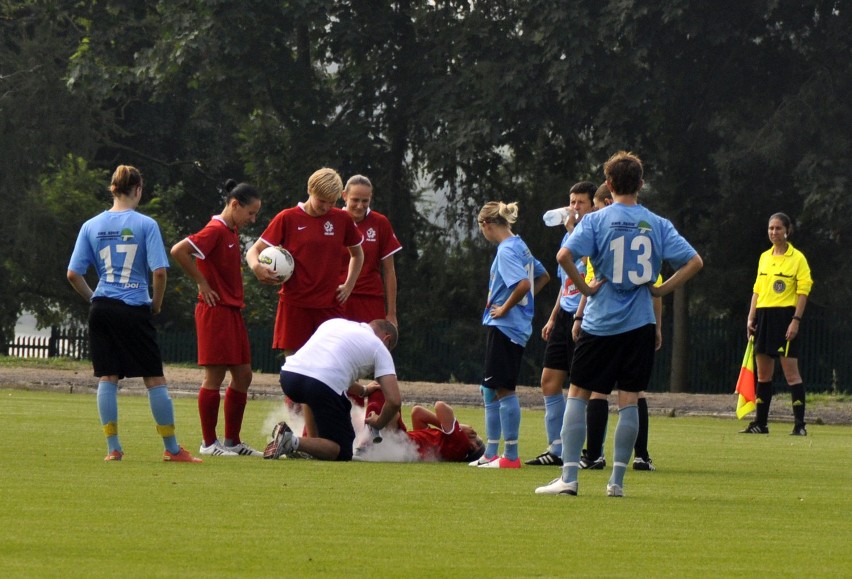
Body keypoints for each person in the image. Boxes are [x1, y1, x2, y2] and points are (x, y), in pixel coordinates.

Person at [535, 151, 702, 497]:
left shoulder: (596, 220)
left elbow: (563, 256)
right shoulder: (657, 223)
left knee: (578, 394)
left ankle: (569, 478)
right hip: (639, 324)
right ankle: (617, 482)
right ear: (641, 184)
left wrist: (585, 288)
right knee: (629, 399)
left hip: (600, 323)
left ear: (609, 185)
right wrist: (661, 288)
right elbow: (694, 261)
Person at [66, 165, 201, 463]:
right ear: (138, 189)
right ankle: (172, 448)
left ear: (113, 189)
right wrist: (155, 303)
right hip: (134, 306)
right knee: (154, 378)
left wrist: (94, 299)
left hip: (102, 308)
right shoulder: (145, 224)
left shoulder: (91, 225)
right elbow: (161, 272)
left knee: (108, 377)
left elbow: (74, 274)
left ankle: (113, 448)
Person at [170, 179, 263, 457]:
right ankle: (209, 443)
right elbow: (179, 251)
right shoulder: (215, 229)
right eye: (251, 213)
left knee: (244, 375)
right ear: (235, 205)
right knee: (215, 376)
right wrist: (202, 282)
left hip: (232, 310)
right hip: (215, 310)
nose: (253, 219)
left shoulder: (232, 230)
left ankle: (232, 441)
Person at [577, 182, 661, 472]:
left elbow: (570, 262)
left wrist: (583, 305)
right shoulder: (651, 225)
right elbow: (664, 281)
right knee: (632, 394)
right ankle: (623, 472)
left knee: (588, 392)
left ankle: (583, 462)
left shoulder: (598, 228)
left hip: (603, 323)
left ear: (607, 195)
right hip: (639, 323)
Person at [245, 167, 364, 355]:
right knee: (294, 364)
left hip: (329, 304)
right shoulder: (288, 217)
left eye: (331, 202)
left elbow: (358, 254)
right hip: (295, 304)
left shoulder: (342, 219)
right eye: (321, 201)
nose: (325, 207)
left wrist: (349, 285)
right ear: (310, 191)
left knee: (333, 362)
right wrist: (256, 267)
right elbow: (254, 251)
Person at [469, 201, 550, 469]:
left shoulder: (506, 250)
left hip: (507, 327)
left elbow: (525, 283)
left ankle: (510, 456)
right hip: (509, 325)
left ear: (487, 225)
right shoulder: (520, 245)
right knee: (489, 388)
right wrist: (526, 302)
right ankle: (491, 452)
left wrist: (506, 307)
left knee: (503, 389)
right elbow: (543, 276)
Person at [526, 181, 596, 466]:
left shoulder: (592, 233)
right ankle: (556, 448)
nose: (574, 208)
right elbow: (566, 282)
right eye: (572, 201)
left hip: (586, 313)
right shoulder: (568, 237)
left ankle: (589, 451)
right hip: (566, 312)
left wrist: (571, 231)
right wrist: (554, 316)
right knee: (549, 381)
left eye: (580, 203)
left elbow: (589, 271)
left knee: (582, 387)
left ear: (592, 206)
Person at [263, 318, 401, 461]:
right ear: (387, 338)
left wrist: (363, 390)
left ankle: (310, 445)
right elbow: (394, 401)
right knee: (342, 451)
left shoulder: (334, 323)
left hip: (289, 377)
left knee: (312, 395)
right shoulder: (380, 347)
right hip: (319, 384)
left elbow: (326, 367)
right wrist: (378, 422)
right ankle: (290, 440)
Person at [742, 212, 813, 435]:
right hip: (763, 317)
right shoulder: (764, 257)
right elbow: (757, 290)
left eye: (778, 228)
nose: (774, 232)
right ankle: (760, 424)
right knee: (763, 375)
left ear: (787, 230)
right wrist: (750, 317)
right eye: (771, 228)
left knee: (791, 374)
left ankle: (800, 425)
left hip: (785, 318)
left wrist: (796, 321)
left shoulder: (798, 258)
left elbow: (803, 292)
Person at [340, 175, 402, 326]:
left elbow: (389, 271)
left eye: (365, 201)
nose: (360, 206)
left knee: (370, 348)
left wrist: (392, 314)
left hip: (371, 300)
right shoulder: (333, 221)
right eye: (355, 200)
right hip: (338, 299)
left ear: (370, 198)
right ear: (344, 196)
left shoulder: (380, 223)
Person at [358, 389, 485, 462]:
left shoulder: (461, 444)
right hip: (402, 441)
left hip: (400, 442)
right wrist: (446, 428)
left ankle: (365, 442)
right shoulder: (445, 443)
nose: (469, 428)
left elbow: (440, 406)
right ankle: (367, 437)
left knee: (385, 397)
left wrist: (457, 427)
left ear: (473, 445)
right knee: (383, 395)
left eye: (472, 432)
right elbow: (417, 413)